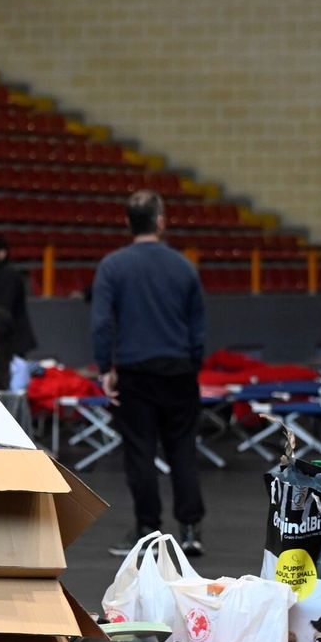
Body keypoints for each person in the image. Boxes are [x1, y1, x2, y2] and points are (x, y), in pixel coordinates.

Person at [91, 189, 207, 559]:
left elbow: (102, 324)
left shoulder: (112, 266)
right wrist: (193, 365)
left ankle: (147, 529)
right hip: (179, 371)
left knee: (140, 453)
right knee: (183, 449)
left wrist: (105, 369)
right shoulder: (183, 266)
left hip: (135, 372)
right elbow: (198, 327)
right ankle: (190, 529)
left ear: (127, 222)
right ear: (161, 221)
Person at [0, 234, 36, 356]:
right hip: (3, 338)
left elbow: (3, 308)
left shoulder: (8, 275)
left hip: (12, 340)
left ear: (2, 253)